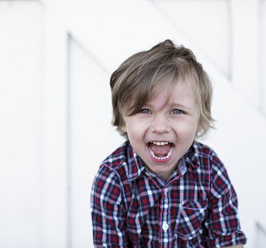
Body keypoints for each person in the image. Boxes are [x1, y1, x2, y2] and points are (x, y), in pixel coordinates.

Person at [90, 39, 246, 247]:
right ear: (122, 120)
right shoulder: (112, 178)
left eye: (177, 111)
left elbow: (229, 240)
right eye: (145, 111)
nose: (161, 126)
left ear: (199, 121)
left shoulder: (210, 169)